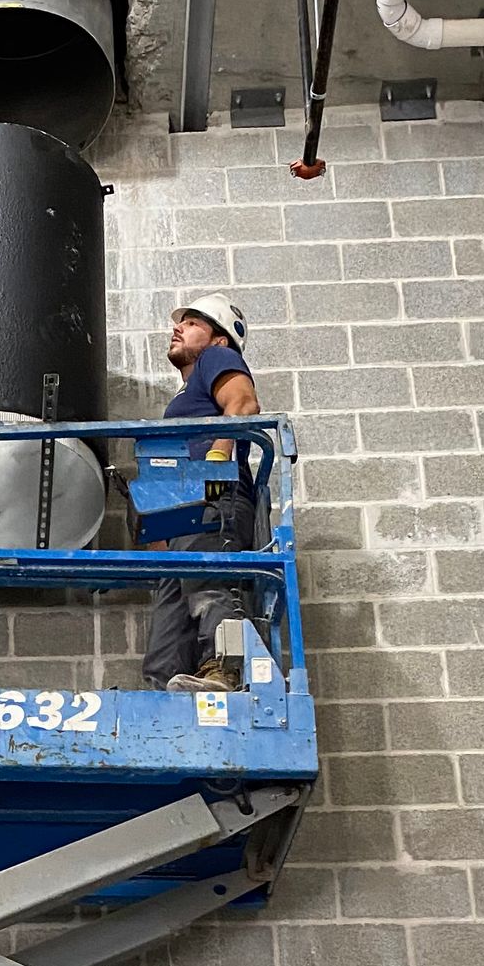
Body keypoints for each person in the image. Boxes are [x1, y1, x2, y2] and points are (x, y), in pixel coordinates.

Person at [139, 291, 265, 694]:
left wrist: (216, 462)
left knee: (210, 585)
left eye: (192, 323)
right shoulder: (186, 394)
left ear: (219, 339)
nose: (178, 327)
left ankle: (224, 671)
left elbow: (243, 404)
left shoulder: (217, 358)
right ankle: (163, 696)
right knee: (169, 616)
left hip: (212, 493)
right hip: (183, 508)